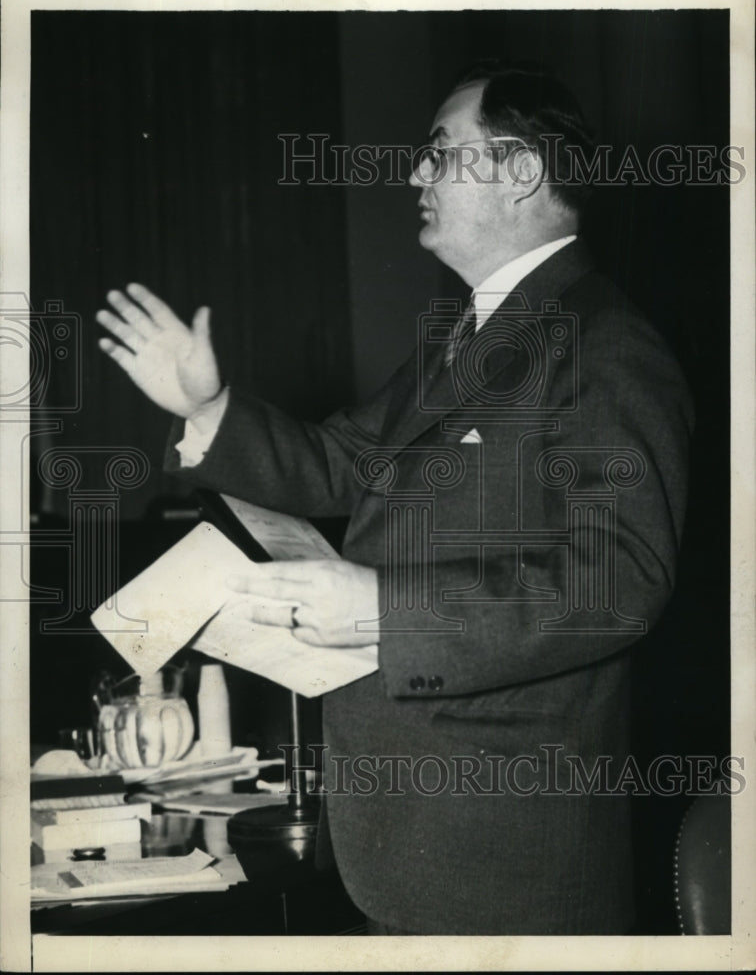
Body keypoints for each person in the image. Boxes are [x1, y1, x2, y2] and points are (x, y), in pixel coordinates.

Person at [98, 63, 694, 934]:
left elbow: (620, 581)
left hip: (504, 854)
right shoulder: (470, 332)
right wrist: (208, 407)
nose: (416, 173)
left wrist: (383, 607)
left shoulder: (607, 345)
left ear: (523, 172)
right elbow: (340, 462)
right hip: (413, 842)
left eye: (440, 152)